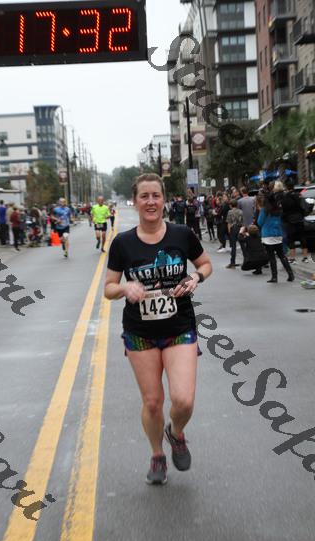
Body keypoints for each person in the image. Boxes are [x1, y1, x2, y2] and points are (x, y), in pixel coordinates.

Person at [104, 173, 212, 485]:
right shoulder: (123, 243)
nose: (151, 202)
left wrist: (195, 277)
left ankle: (175, 433)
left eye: (156, 196)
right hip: (140, 333)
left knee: (184, 400)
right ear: (135, 201)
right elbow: (109, 288)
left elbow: (205, 264)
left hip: (180, 327)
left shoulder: (182, 234)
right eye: (144, 196)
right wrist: (125, 288)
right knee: (152, 403)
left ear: (164, 200)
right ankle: (157, 455)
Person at [257, 186, 295, 283]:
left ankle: (274, 277)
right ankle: (290, 274)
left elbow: (260, 222)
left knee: (271, 257)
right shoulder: (278, 210)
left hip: (268, 235)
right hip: (277, 234)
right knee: (282, 255)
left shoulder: (264, 210)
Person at [281, 180, 309, 264]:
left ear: (286, 187)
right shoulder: (299, 195)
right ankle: (305, 258)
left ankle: (293, 259)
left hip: (290, 220)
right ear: (293, 187)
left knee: (291, 239)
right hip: (299, 219)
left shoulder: (285, 197)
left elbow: (283, 210)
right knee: (302, 238)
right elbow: (305, 207)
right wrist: (302, 215)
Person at [225, 198, 243, 268]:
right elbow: (242, 221)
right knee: (242, 245)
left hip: (233, 228)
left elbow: (229, 222)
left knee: (233, 246)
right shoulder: (241, 211)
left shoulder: (230, 212)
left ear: (230, 205)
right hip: (240, 228)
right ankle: (246, 260)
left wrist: (229, 230)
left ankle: (232, 262)